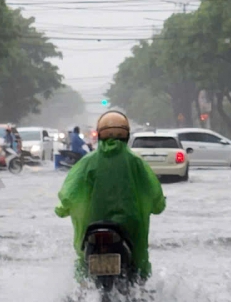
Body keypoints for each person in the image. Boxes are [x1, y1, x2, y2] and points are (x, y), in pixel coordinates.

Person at [54, 110, 165, 277]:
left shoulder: (88, 162)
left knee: (83, 272)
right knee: (137, 266)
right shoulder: (136, 162)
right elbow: (154, 193)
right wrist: (158, 205)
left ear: (100, 134)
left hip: (93, 225)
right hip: (129, 226)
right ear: (126, 134)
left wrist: (62, 209)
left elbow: (69, 194)